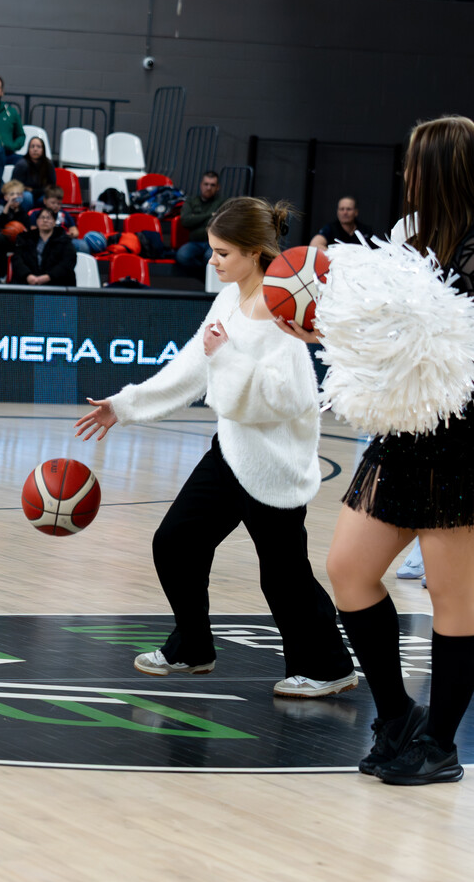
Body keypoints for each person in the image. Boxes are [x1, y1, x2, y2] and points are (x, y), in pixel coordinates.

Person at [75, 196, 357, 699]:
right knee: (176, 543)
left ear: (254, 252)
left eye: (223, 253)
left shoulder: (282, 311)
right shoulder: (228, 299)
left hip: (273, 465)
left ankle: (329, 667)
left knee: (284, 576)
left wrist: (226, 358)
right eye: (212, 250)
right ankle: (193, 648)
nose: (212, 261)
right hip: (230, 452)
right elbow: (194, 365)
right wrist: (125, 405)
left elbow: (291, 398)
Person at [283, 116, 474, 784]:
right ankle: (396, 716)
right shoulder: (406, 237)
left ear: (442, 170)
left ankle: (439, 745)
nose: (405, 175)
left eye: (415, 163)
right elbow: (378, 337)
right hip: (404, 433)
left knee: (452, 599)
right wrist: (322, 327)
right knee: (348, 570)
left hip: (463, 439)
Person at [11, 203, 77, 286]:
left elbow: (68, 262)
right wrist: (28, 276)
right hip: (28, 282)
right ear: (37, 222)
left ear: (54, 222)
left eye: (49, 218)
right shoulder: (24, 238)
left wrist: (48, 277)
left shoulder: (64, 240)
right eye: (42, 217)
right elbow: (17, 259)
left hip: (56, 284)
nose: (45, 220)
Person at [175, 172, 224, 277]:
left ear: (218, 187)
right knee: (182, 255)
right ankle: (202, 276)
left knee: (210, 257)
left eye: (212, 185)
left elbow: (221, 223)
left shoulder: (222, 203)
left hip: (213, 244)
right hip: (195, 242)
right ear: (201, 185)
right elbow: (185, 221)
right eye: (206, 184)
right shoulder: (191, 201)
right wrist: (210, 215)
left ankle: (207, 278)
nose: (208, 188)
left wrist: (195, 218)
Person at [309, 195, 381, 250]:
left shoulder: (365, 230)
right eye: (341, 209)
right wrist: (336, 256)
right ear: (337, 212)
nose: (345, 212)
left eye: (348, 209)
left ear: (356, 212)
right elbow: (314, 245)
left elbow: (377, 251)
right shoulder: (330, 229)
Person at [12, 135, 57, 206]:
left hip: (41, 193)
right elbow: (15, 185)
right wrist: (28, 190)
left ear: (43, 149)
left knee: (50, 198)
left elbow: (51, 186)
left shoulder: (48, 164)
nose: (35, 149)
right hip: (23, 194)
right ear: (28, 149)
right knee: (27, 196)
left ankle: (46, 213)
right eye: (32, 146)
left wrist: (33, 190)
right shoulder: (21, 164)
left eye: (38, 147)